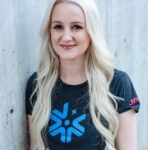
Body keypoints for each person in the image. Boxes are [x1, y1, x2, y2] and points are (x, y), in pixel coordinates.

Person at [25, 0, 140, 150]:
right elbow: (35, 146)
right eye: (58, 27)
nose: (66, 37)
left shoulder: (116, 83)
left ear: (91, 32)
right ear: (50, 31)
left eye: (76, 27)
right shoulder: (37, 84)